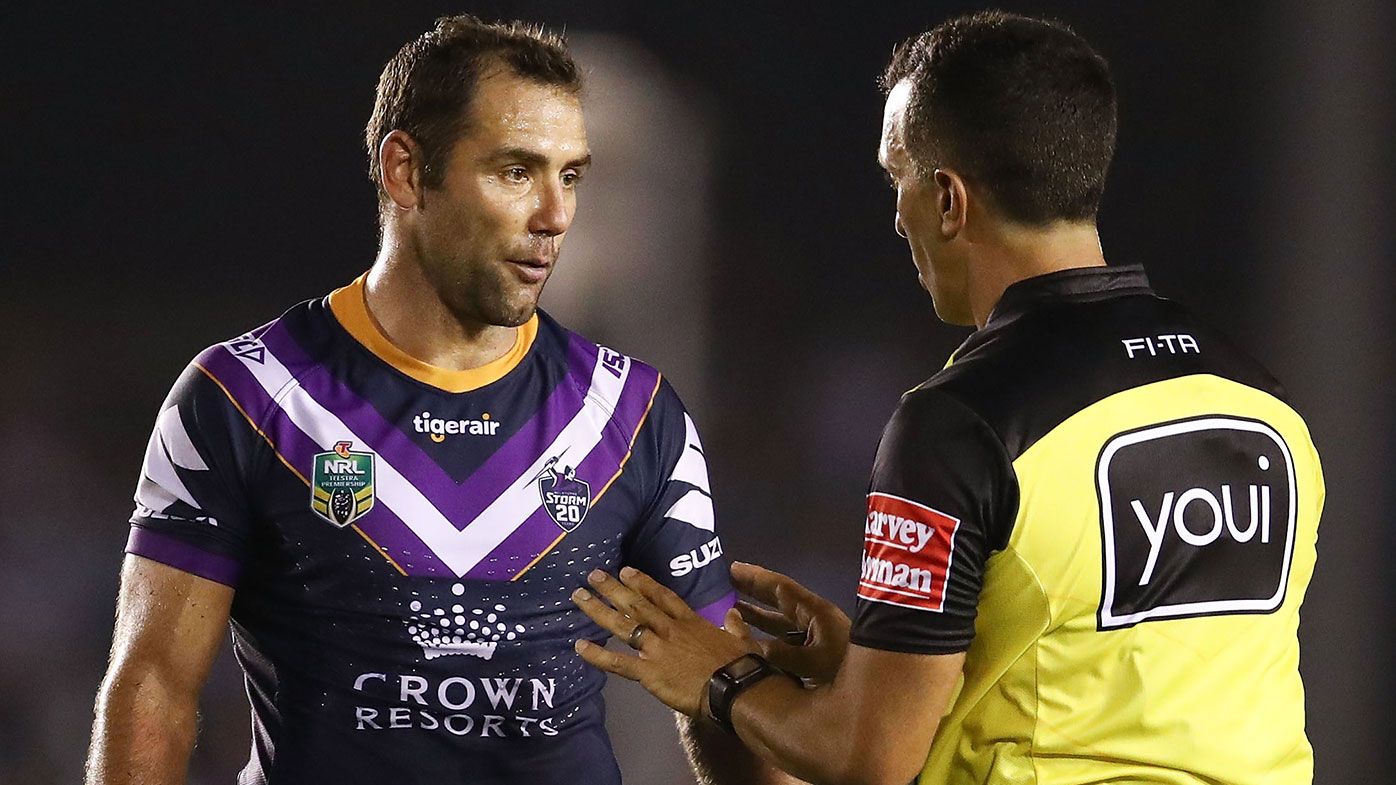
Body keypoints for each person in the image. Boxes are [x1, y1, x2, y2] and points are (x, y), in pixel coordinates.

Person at [570, 10, 1324, 785]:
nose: (896, 216)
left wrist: (719, 677)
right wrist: (882, 665)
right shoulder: (1261, 398)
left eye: (897, 178)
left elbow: (871, 761)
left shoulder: (962, 422)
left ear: (948, 200)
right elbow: (1129, 667)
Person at [85, 15, 791, 785]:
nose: (555, 217)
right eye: (516, 172)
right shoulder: (245, 396)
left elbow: (722, 690)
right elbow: (154, 683)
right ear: (405, 171)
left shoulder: (636, 415)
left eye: (572, 175)